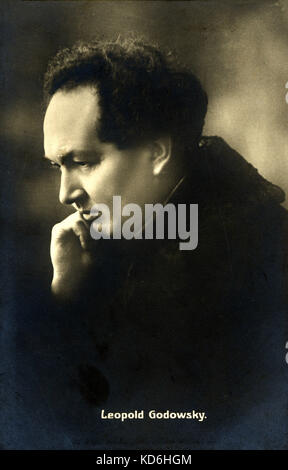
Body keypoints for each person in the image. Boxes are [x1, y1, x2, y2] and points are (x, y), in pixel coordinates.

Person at [40, 37, 288, 448]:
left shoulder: (244, 257)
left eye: (82, 162)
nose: (65, 193)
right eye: (56, 167)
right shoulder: (133, 240)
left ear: (156, 153)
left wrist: (69, 306)